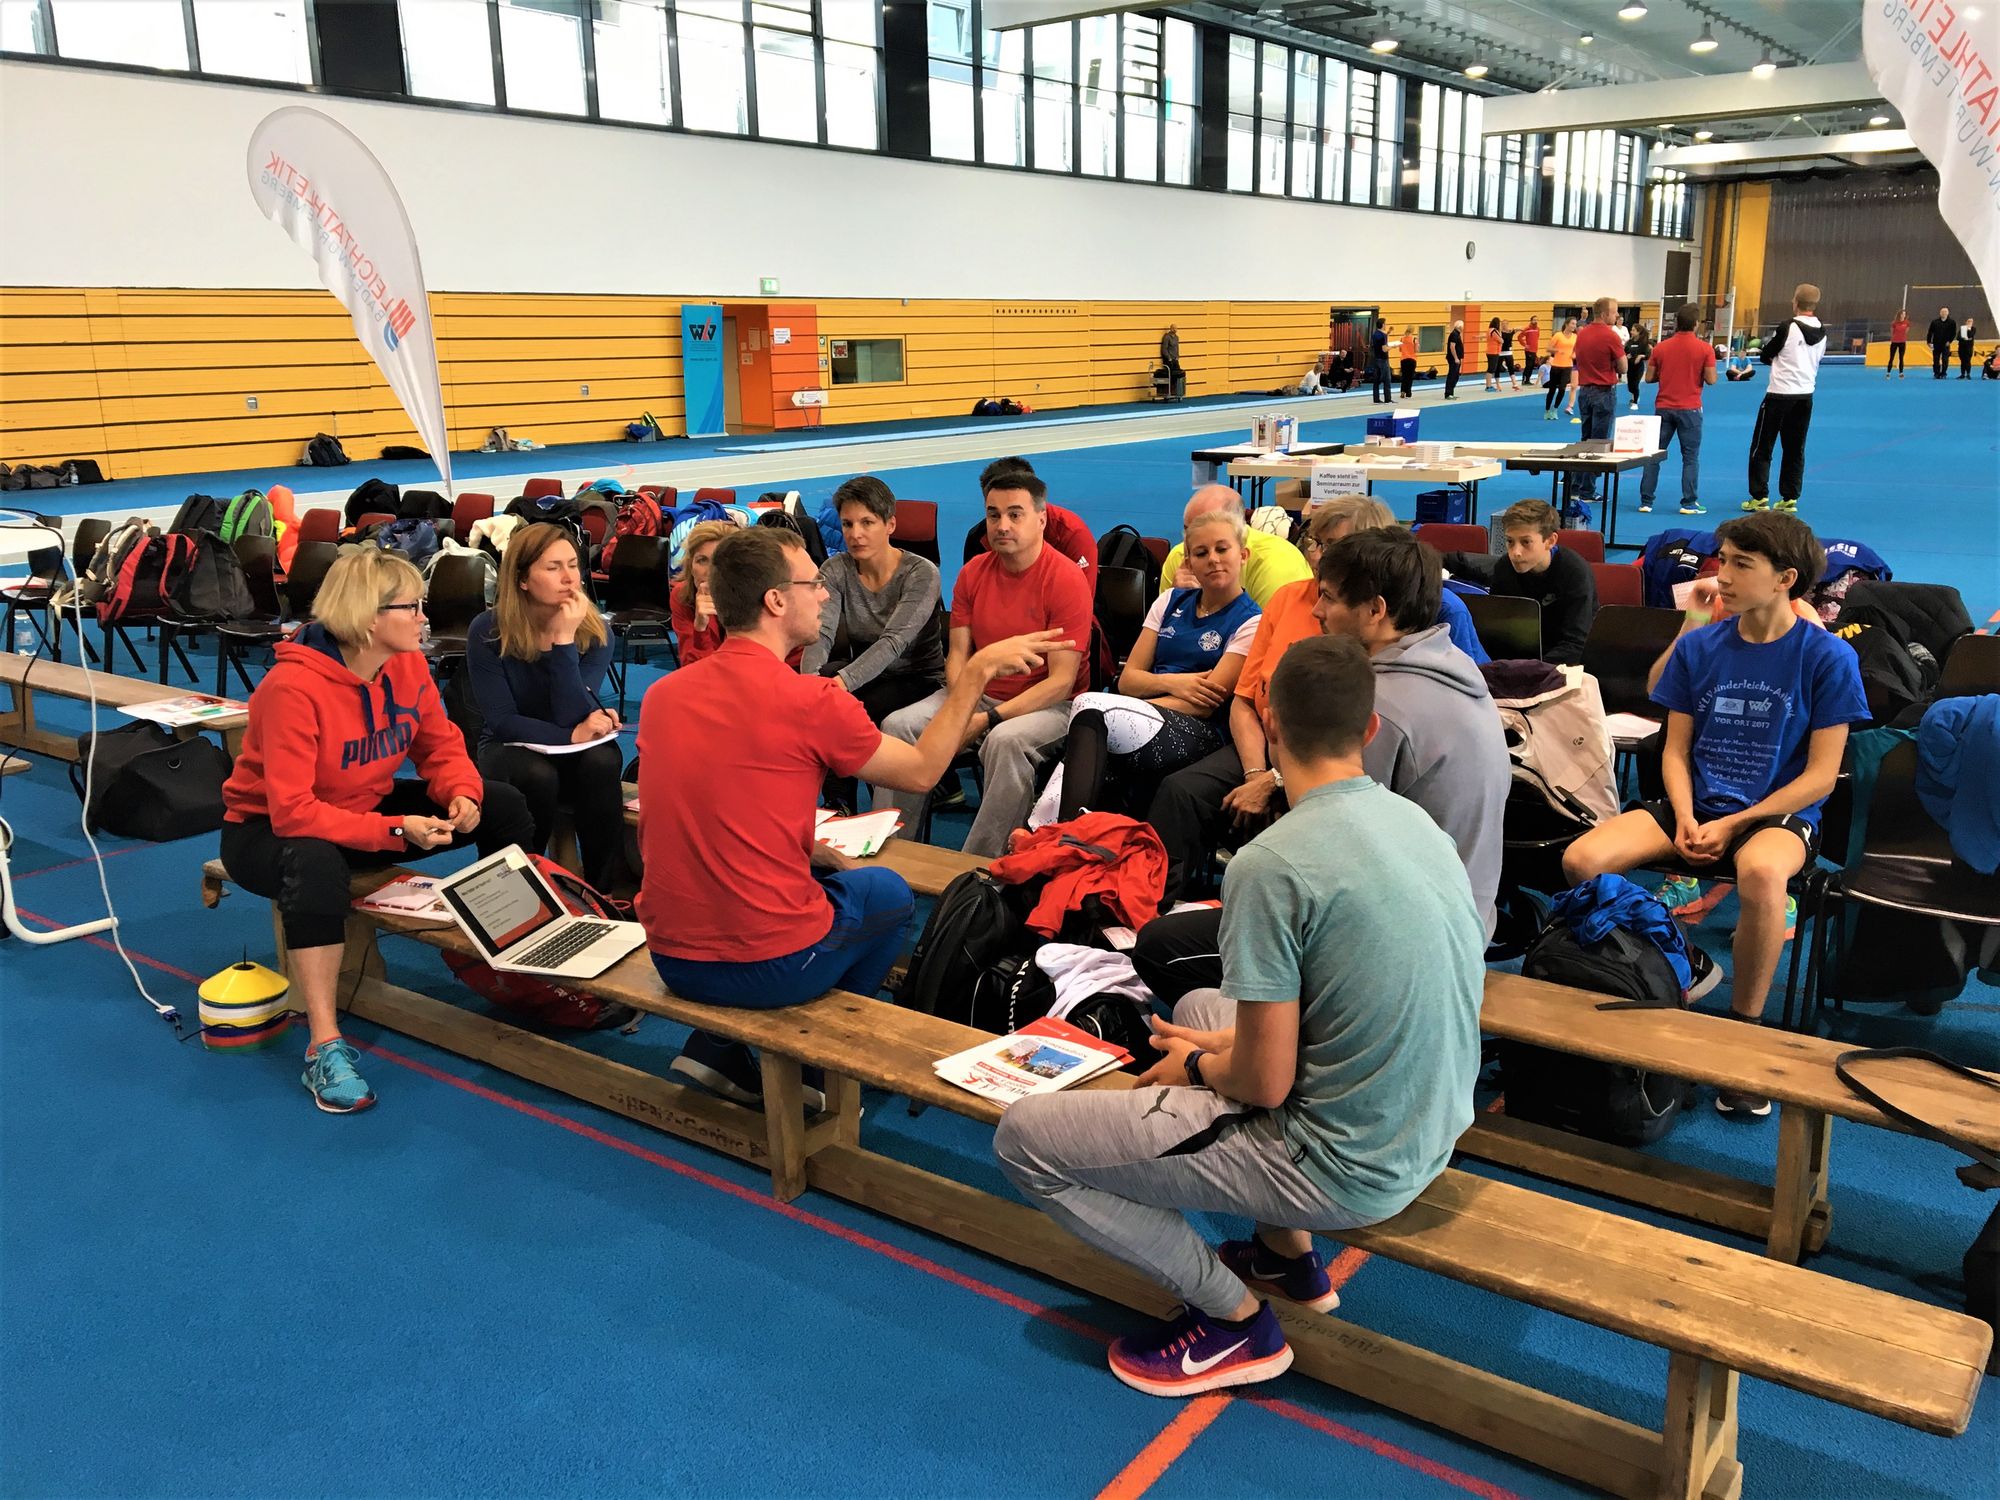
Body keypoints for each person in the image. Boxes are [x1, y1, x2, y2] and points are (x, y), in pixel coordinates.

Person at [993, 634, 1483, 1398]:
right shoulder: (1420, 826)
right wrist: (1217, 1046)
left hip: (1349, 1167)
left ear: (1272, 725)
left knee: (1025, 1141)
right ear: (1369, 729)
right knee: (1198, 1002)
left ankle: (1232, 1323)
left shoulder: (1271, 864)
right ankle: (1286, 1256)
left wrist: (1197, 1066)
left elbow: (1262, 1083)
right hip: (1433, 1130)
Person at [638, 527, 1066, 1106]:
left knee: (828, 871)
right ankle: (822, 1071)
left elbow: (715, 802)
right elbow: (922, 771)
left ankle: (717, 1047)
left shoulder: (664, 694)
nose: (823, 594)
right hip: (768, 965)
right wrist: (974, 675)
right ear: (775, 601)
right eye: (812, 583)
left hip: (671, 954)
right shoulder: (810, 701)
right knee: (887, 893)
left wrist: (808, 849)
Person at [1561, 513, 1869, 1114]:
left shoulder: (1828, 657)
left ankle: (1744, 1029)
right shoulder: (1700, 646)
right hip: (1694, 805)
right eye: (1722, 559)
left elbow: (1820, 776)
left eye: (1740, 564)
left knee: (1761, 873)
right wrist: (1683, 814)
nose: (1721, 575)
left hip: (1777, 814)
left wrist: (1733, 824)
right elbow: (1674, 750)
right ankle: (1679, 963)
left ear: (1785, 578)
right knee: (1583, 859)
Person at [219, 548, 536, 1114]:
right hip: (266, 832)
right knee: (314, 862)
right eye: (411, 607)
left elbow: (439, 746)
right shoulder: (291, 689)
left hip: (362, 812)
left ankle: (522, 958)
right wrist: (395, 830)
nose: (424, 618)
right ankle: (323, 1044)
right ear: (368, 617)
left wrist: (460, 792)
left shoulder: (405, 664)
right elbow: (293, 812)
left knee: (502, 803)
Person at [1144, 514, 1500, 908]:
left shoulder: (1384, 706)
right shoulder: (1451, 664)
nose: (1316, 610)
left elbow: (1336, 843)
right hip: (1452, 905)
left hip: (1408, 918)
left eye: (1328, 597)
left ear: (1375, 610)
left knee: (1183, 928)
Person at [872, 470, 1092, 856]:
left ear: (1041, 519)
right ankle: (890, 850)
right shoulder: (973, 573)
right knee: (898, 725)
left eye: (1015, 514)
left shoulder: (1066, 579)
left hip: (1050, 705)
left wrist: (987, 719)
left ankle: (978, 867)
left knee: (1004, 742)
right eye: (994, 515)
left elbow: (1060, 682)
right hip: (979, 695)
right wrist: (964, 705)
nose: (1002, 525)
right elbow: (958, 655)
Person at [1049, 509, 1260, 822]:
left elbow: (1204, 704)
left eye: (1222, 549)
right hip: (1146, 715)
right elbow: (1128, 680)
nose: (1213, 560)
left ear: (1243, 555)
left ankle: (1063, 834)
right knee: (1092, 730)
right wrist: (1175, 683)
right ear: (1189, 562)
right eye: (1201, 553)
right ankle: (1043, 833)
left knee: (1090, 708)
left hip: (1201, 732)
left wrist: (1133, 703)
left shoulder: (1251, 622)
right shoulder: (1170, 601)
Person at [465, 523, 627, 891]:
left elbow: (572, 712)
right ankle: (523, 890)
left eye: (573, 565)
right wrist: (570, 735)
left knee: (602, 761)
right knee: (537, 774)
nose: (570, 578)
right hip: (509, 745)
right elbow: (503, 721)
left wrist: (564, 640)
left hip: (572, 744)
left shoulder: (595, 632)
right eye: (553, 568)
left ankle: (603, 891)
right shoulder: (488, 629)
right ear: (522, 579)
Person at [799, 475, 944, 725]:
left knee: (847, 712)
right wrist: (809, 683)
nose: (855, 534)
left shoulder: (921, 573)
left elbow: (893, 642)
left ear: (890, 525)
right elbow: (821, 632)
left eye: (867, 522)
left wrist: (839, 685)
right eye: (847, 524)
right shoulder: (835, 569)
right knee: (810, 695)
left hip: (917, 678)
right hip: (866, 673)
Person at [1744, 283, 1827, 516]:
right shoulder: (1822, 331)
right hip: (1805, 394)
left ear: (1795, 302)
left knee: (1762, 445)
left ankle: (1759, 496)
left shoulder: (1788, 327)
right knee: (1795, 448)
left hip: (1780, 394)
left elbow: (1766, 354)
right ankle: (1790, 497)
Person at [964, 457, 1098, 598]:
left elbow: (1081, 601)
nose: (1003, 527)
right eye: (995, 511)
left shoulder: (1072, 534)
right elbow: (972, 599)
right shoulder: (978, 538)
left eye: (1015, 513)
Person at [1158, 487, 1311, 607]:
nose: (1193, 541)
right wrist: (1173, 601)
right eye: (1188, 530)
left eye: (1221, 548)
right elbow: (1158, 630)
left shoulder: (1278, 562)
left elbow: (1271, 634)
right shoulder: (1179, 556)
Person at [1487, 500, 1597, 665]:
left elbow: (1575, 644)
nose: (1516, 552)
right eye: (1510, 541)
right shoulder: (1504, 568)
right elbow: (1497, 632)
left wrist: (1531, 670)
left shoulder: (1575, 572)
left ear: (1550, 541)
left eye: (1526, 542)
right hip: (1517, 660)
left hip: (1563, 664)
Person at [1638, 301, 1717, 518]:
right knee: (1690, 457)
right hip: (1690, 408)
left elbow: (1649, 377)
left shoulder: (1661, 348)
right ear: (1696, 324)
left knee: (1654, 455)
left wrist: (1668, 373)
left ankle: (1646, 501)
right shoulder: (1705, 348)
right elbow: (1711, 379)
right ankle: (1689, 502)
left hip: (1664, 407)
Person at [1571, 297, 1628, 506]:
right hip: (1603, 391)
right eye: (1614, 312)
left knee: (1585, 439)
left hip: (1585, 390)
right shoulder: (1610, 335)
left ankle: (1576, 485)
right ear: (1604, 314)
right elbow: (1623, 367)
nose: (1617, 316)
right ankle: (1588, 489)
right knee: (1598, 442)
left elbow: (1577, 358)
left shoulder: (1582, 334)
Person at [671, 519, 736, 666]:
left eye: (718, 561)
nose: (709, 571)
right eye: (702, 560)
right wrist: (700, 628)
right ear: (690, 565)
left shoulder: (752, 595)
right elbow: (693, 667)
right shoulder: (682, 596)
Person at [1544, 316, 1577, 420]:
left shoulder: (1575, 337)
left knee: (1562, 389)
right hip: (1556, 366)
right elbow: (1548, 348)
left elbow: (1576, 349)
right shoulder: (1558, 335)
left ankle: (1555, 409)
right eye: (1572, 323)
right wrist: (1557, 350)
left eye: (1575, 324)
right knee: (1552, 390)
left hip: (1568, 366)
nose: (1574, 326)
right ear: (1567, 324)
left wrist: (1574, 354)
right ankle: (1547, 410)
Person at [1625, 321, 1653, 410]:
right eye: (1631, 330)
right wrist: (1626, 356)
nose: (1631, 332)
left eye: (1633, 330)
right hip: (1630, 366)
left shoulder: (1644, 343)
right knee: (1630, 386)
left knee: (1635, 384)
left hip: (1638, 367)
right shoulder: (1629, 342)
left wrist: (1641, 356)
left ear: (1638, 332)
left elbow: (1648, 354)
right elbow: (1624, 352)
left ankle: (1635, 402)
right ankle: (1634, 396)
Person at [1926, 306, 1955, 379]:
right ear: (1940, 313)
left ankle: (1943, 373)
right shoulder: (1934, 322)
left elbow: (1953, 333)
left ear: (1948, 313)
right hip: (1936, 344)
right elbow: (1930, 332)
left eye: (1945, 312)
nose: (1944, 313)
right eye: (1942, 312)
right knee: (1936, 359)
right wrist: (1929, 342)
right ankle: (1936, 373)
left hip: (1946, 344)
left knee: (1945, 359)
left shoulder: (1952, 322)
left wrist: (1950, 341)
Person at [1369, 321, 1392, 404]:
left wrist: (1388, 332)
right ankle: (1387, 399)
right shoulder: (1383, 335)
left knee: (1376, 380)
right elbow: (1384, 349)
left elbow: (1378, 343)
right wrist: (1392, 346)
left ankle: (1376, 399)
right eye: (1385, 324)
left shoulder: (1375, 334)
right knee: (1387, 379)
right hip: (1383, 359)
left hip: (1376, 358)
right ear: (1382, 325)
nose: (1386, 325)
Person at [1160, 323, 1183, 397]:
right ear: (1171, 329)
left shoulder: (1176, 337)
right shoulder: (1167, 337)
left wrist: (1177, 356)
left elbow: (1177, 348)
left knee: (1178, 374)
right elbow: (1164, 349)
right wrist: (1168, 357)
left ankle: (1176, 391)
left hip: (1175, 359)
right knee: (1170, 376)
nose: (1175, 330)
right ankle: (1168, 391)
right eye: (1174, 328)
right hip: (1169, 360)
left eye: (1176, 328)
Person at [1444, 320, 1464, 399]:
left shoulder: (1457, 334)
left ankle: (1451, 392)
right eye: (1462, 326)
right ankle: (1448, 393)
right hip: (1453, 358)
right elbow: (1452, 347)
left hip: (1457, 358)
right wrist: (1456, 358)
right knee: (1452, 375)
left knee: (1456, 376)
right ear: (1460, 327)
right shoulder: (1454, 334)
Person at [1886, 309, 1909, 377]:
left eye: (1904, 314)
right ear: (1900, 315)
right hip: (1894, 342)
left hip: (1902, 342)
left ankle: (1901, 373)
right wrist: (1895, 338)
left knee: (1901, 358)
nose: (1903, 315)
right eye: (1902, 314)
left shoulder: (1907, 323)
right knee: (1891, 357)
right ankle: (1888, 372)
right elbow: (1892, 332)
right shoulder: (1894, 323)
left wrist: (1902, 337)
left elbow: (1906, 331)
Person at [1396, 326, 1418, 399]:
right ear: (1412, 331)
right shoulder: (1414, 339)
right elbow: (1416, 350)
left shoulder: (1402, 339)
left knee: (1404, 376)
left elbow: (1400, 350)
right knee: (1410, 377)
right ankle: (1408, 393)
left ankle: (1402, 391)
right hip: (1412, 359)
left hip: (1403, 359)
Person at [1483, 317, 1503, 392]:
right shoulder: (1494, 331)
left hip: (1489, 351)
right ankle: (1488, 386)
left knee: (1490, 369)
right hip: (1494, 352)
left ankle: (1488, 385)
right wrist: (1500, 332)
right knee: (1491, 369)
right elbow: (1501, 340)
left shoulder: (1489, 330)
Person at [1520, 316, 1541, 384]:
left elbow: (1536, 338)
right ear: (1531, 321)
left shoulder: (1538, 329)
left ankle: (1528, 380)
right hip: (1528, 351)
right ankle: (1524, 380)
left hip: (1534, 350)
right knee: (1528, 366)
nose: (1535, 321)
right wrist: (1524, 344)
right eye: (1534, 320)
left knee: (1532, 366)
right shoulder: (1527, 328)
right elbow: (1519, 337)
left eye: (1536, 320)